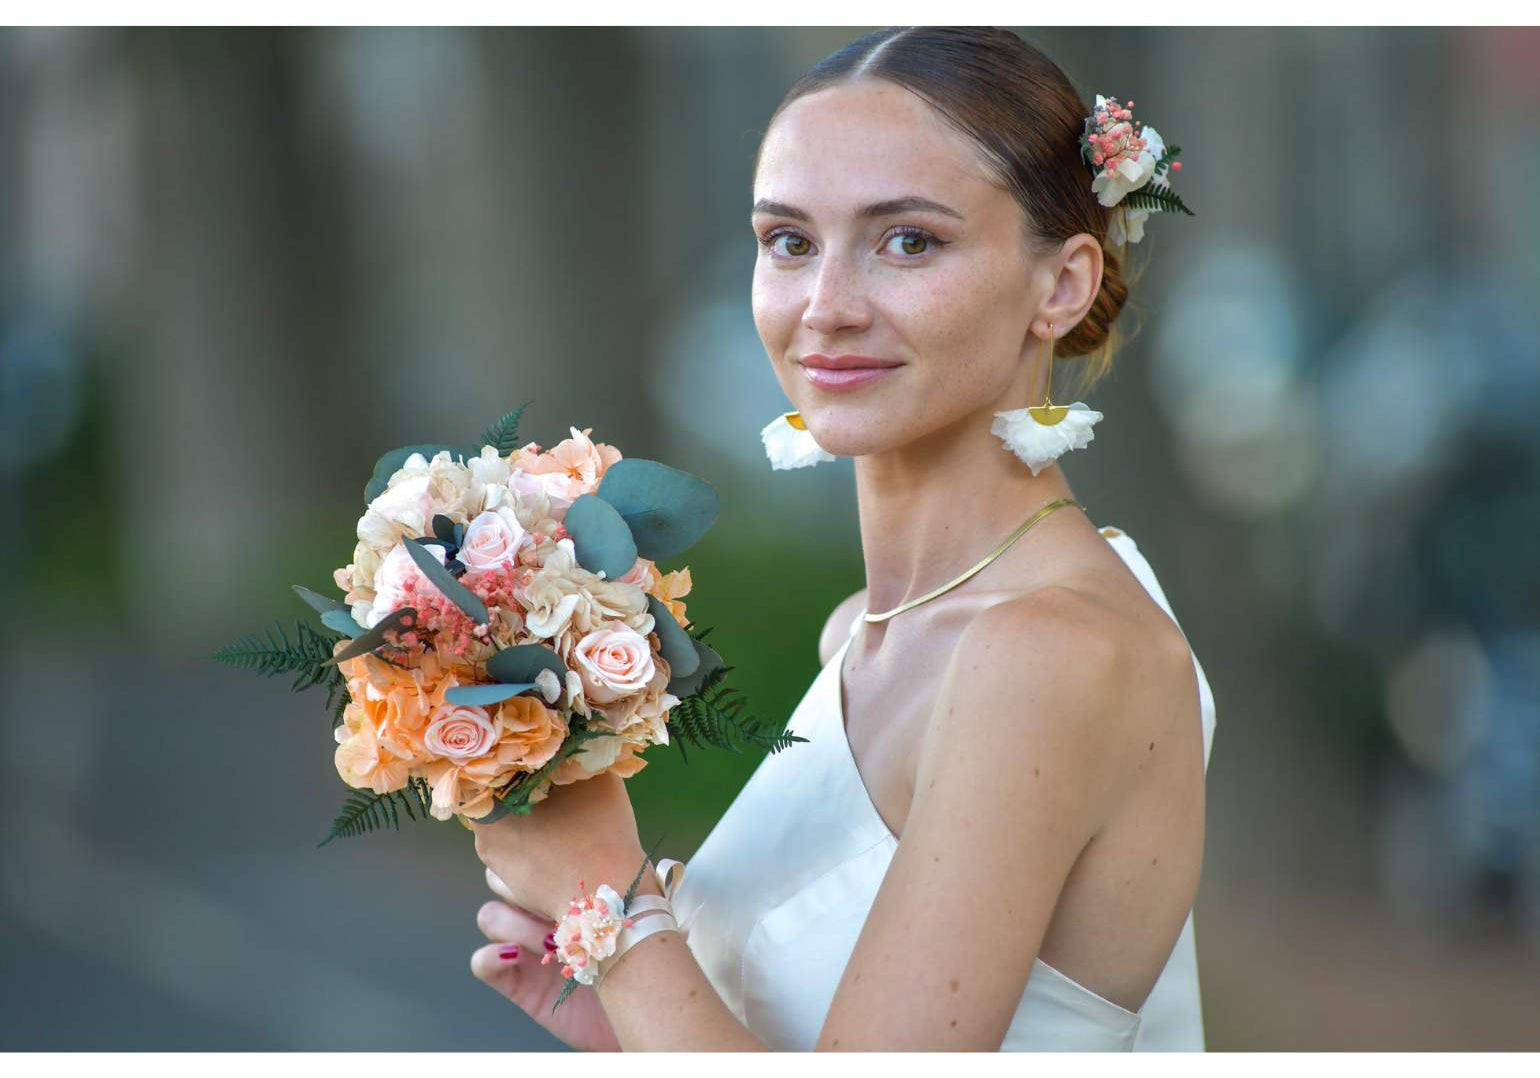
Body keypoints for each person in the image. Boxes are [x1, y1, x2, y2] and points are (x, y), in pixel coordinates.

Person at [464, 25, 1216, 1051]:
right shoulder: (858, 630)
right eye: (788, 241)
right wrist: (619, 1016)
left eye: (908, 240)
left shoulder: (1049, 650)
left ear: (1062, 285)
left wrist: (609, 899)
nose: (825, 306)